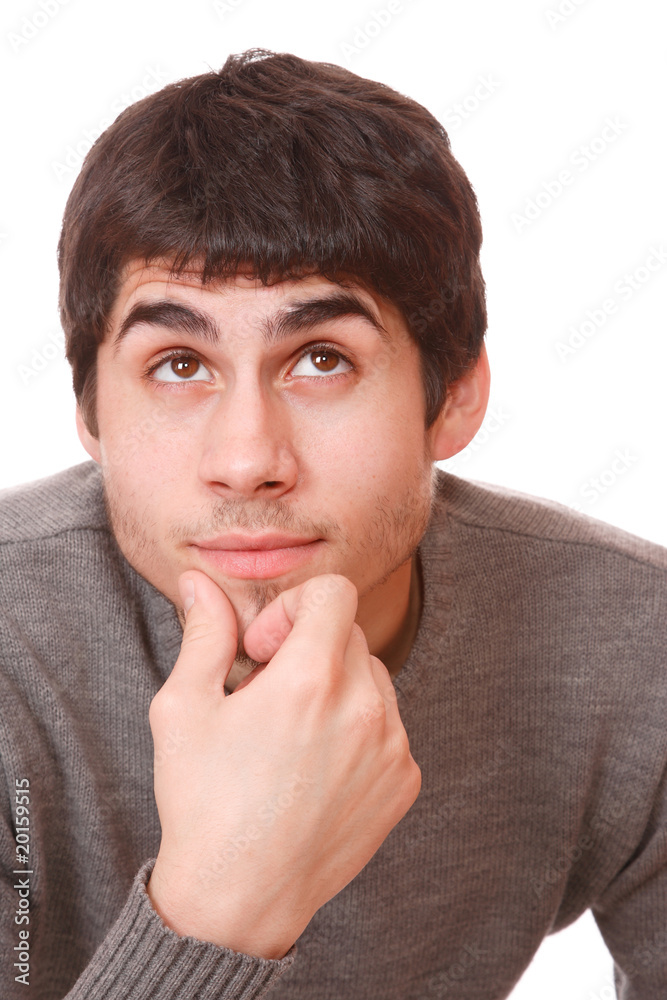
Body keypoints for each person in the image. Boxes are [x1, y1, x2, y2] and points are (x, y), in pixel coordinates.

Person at [0, 47, 665, 1000]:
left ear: (455, 396)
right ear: (91, 413)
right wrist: (221, 907)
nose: (246, 459)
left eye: (321, 359)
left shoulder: (633, 645)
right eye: (178, 365)